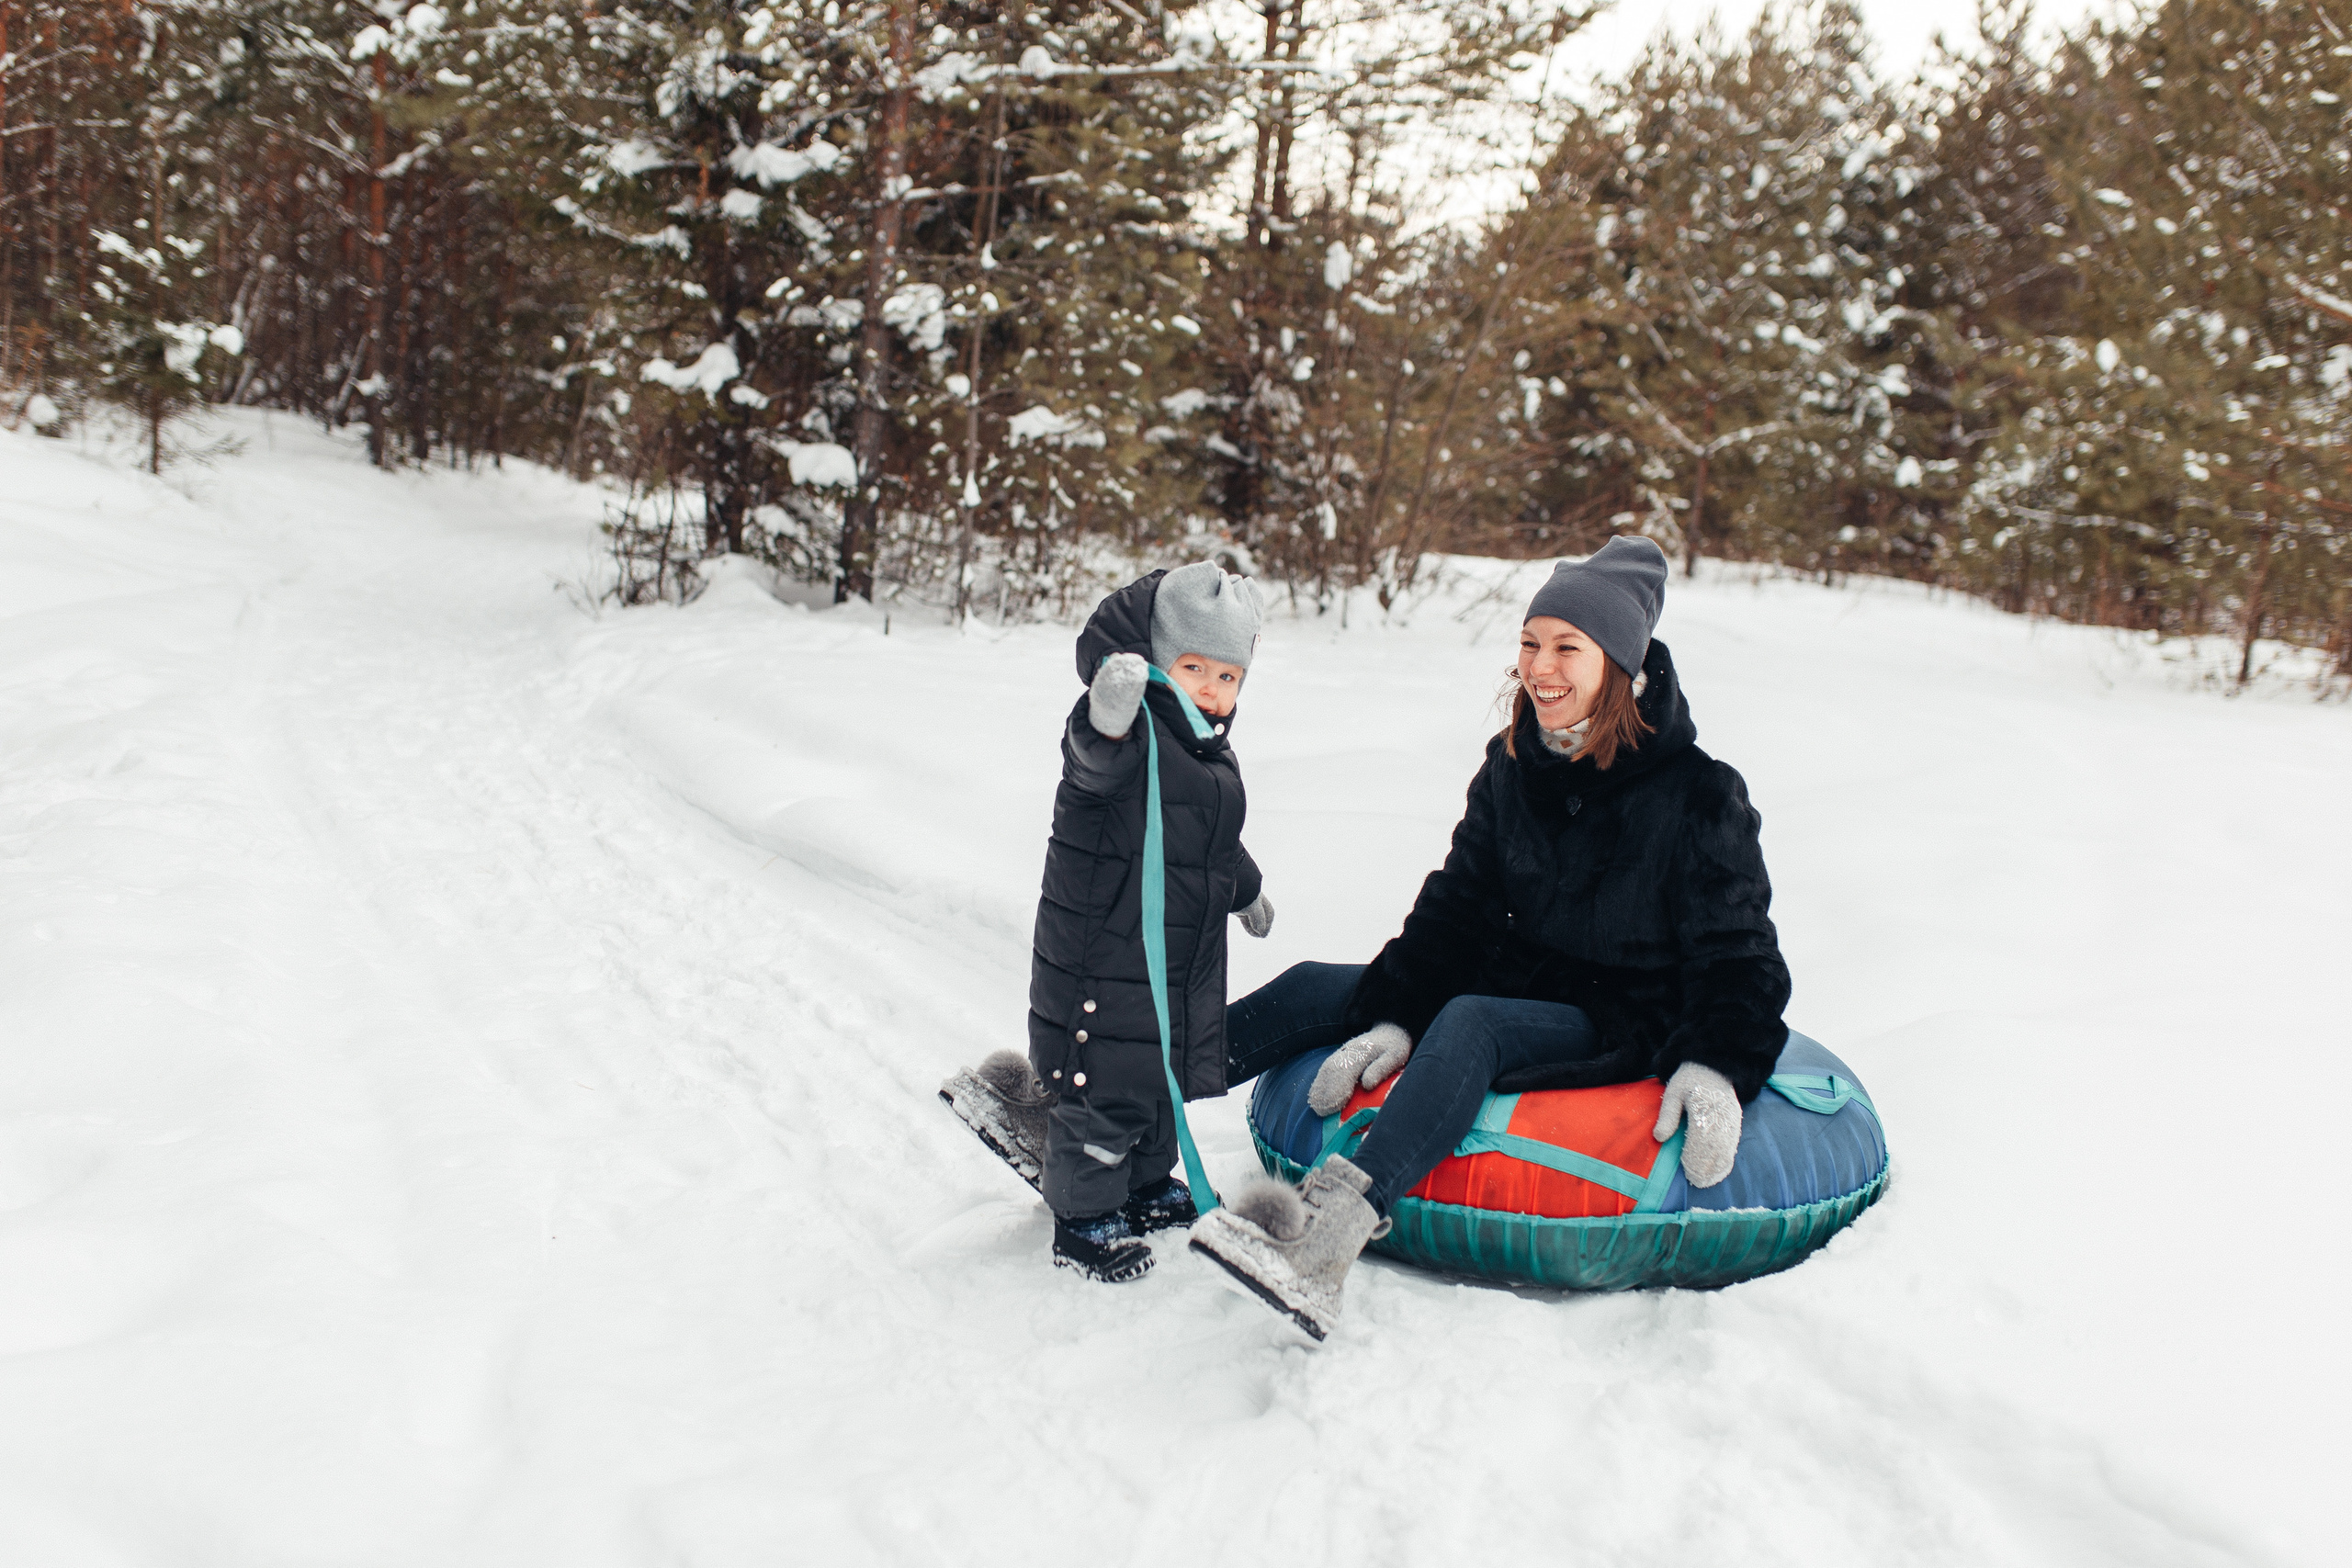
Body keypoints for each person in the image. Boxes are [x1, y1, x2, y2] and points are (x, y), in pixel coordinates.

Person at [1187, 536, 1792, 1339]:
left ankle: (1326, 1242)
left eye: (1567, 648)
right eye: (1531, 643)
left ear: (1618, 660)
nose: (1540, 667)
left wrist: (1717, 1060)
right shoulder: (1513, 762)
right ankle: (1115, 1105)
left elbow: (1742, 951)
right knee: (1313, 983)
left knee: (1471, 1018)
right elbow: (1458, 902)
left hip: (1622, 1009)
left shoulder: (1697, 793)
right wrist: (1399, 1008)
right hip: (1517, 969)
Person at [940, 562, 1275, 1282]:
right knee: (1105, 1090)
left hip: (1174, 960)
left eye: (1229, 677)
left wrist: (1244, 889)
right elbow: (1090, 766)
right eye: (1194, 668)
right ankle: (1083, 1215)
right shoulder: (1125, 734)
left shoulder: (1206, 748)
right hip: (1105, 950)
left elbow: (1207, 837)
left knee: (1158, 1084)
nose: (1214, 691)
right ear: (1155, 660)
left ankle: (1145, 1183)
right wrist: (1108, 714)